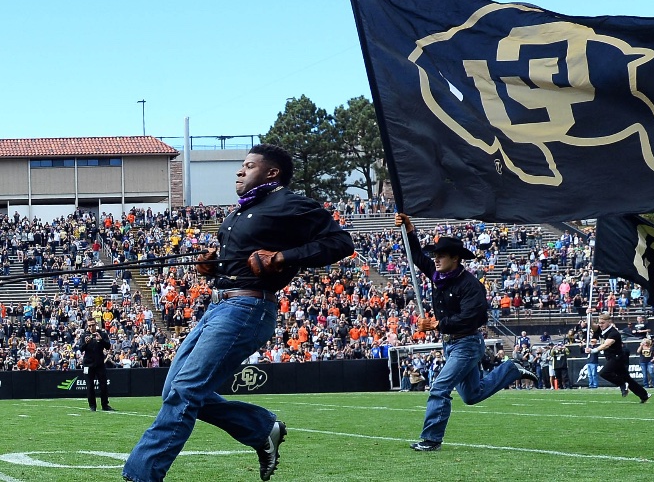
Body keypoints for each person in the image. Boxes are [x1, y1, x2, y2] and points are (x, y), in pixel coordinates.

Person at [123, 144, 353, 482]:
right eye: (241, 167)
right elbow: (234, 261)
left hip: (249, 307)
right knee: (174, 388)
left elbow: (341, 243)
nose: (239, 172)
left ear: (271, 173)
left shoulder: (291, 203)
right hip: (218, 305)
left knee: (185, 390)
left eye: (248, 166)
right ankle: (262, 428)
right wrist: (212, 263)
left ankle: (141, 475)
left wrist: (282, 257)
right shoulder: (238, 213)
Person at [396, 213, 535, 452]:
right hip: (450, 344)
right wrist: (409, 230)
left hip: (467, 343)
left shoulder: (471, 285)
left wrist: (438, 324)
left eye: (441, 255)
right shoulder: (439, 275)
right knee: (472, 395)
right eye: (436, 255)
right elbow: (416, 257)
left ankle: (431, 439)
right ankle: (510, 369)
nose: (435, 259)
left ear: (455, 258)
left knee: (439, 387)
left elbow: (472, 317)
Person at [592, 313, 649, 403]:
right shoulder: (602, 330)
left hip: (617, 357)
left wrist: (593, 350)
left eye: (602, 323)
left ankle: (622, 384)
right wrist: (589, 316)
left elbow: (607, 344)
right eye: (599, 323)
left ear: (609, 322)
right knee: (627, 378)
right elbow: (593, 327)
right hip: (612, 357)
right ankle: (644, 395)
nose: (600, 325)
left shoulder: (613, 333)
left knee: (604, 373)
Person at [81, 322, 114, 411]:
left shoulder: (102, 334)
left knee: (103, 385)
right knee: (90, 386)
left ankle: (105, 405)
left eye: (93, 325)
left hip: (99, 364)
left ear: (96, 325)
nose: (91, 327)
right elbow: (81, 348)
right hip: (88, 364)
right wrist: (86, 343)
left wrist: (101, 340)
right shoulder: (84, 335)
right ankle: (92, 405)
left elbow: (108, 346)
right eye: (89, 325)